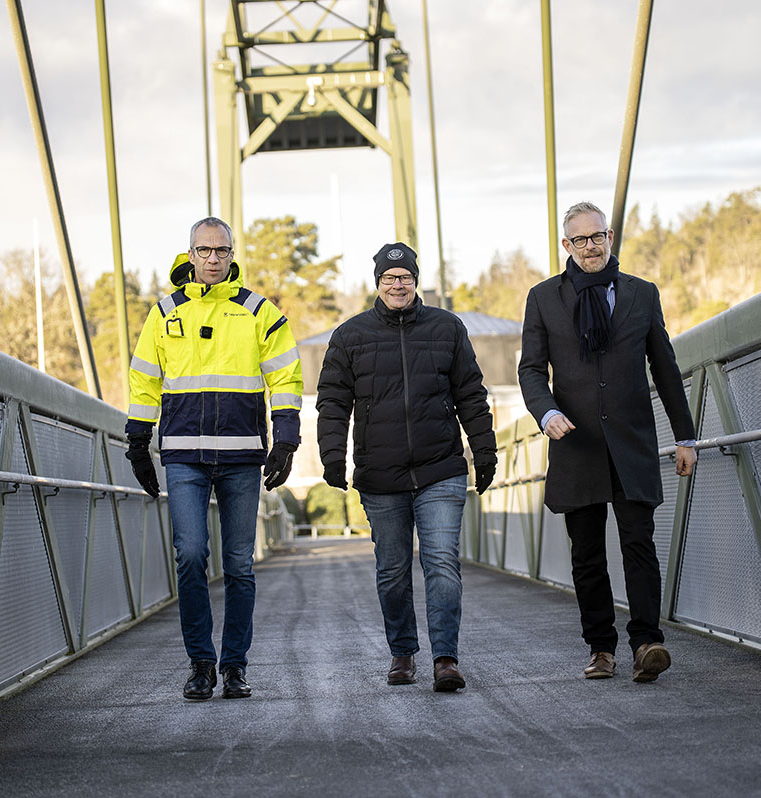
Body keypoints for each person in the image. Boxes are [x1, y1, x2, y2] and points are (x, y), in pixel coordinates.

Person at [518, 201, 696, 683]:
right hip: (577, 446)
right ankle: (601, 648)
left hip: (631, 444)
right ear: (566, 246)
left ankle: (646, 643)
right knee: (587, 554)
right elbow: (531, 369)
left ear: (610, 237)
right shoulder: (543, 298)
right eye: (579, 240)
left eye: (597, 237)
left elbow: (664, 366)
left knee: (639, 544)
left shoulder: (641, 293)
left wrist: (686, 435)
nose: (590, 246)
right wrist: (546, 411)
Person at [125, 217, 303, 701]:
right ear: (190, 254)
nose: (212, 259)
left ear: (231, 255)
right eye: (203, 251)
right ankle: (201, 664)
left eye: (221, 251)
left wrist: (285, 438)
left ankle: (235, 667)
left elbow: (286, 377)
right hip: (184, 455)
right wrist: (137, 441)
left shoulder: (258, 312)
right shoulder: (163, 314)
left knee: (240, 565)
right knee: (191, 555)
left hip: (243, 455)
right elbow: (144, 380)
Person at [316, 242, 496, 692]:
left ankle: (445, 659)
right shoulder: (350, 336)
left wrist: (485, 451)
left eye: (406, 277)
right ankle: (402, 652)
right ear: (377, 283)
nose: (398, 285)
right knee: (393, 570)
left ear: (416, 280)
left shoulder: (447, 328)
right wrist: (333, 457)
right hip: (381, 475)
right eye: (389, 278)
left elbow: (471, 395)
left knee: (441, 562)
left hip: (440, 469)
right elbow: (333, 404)